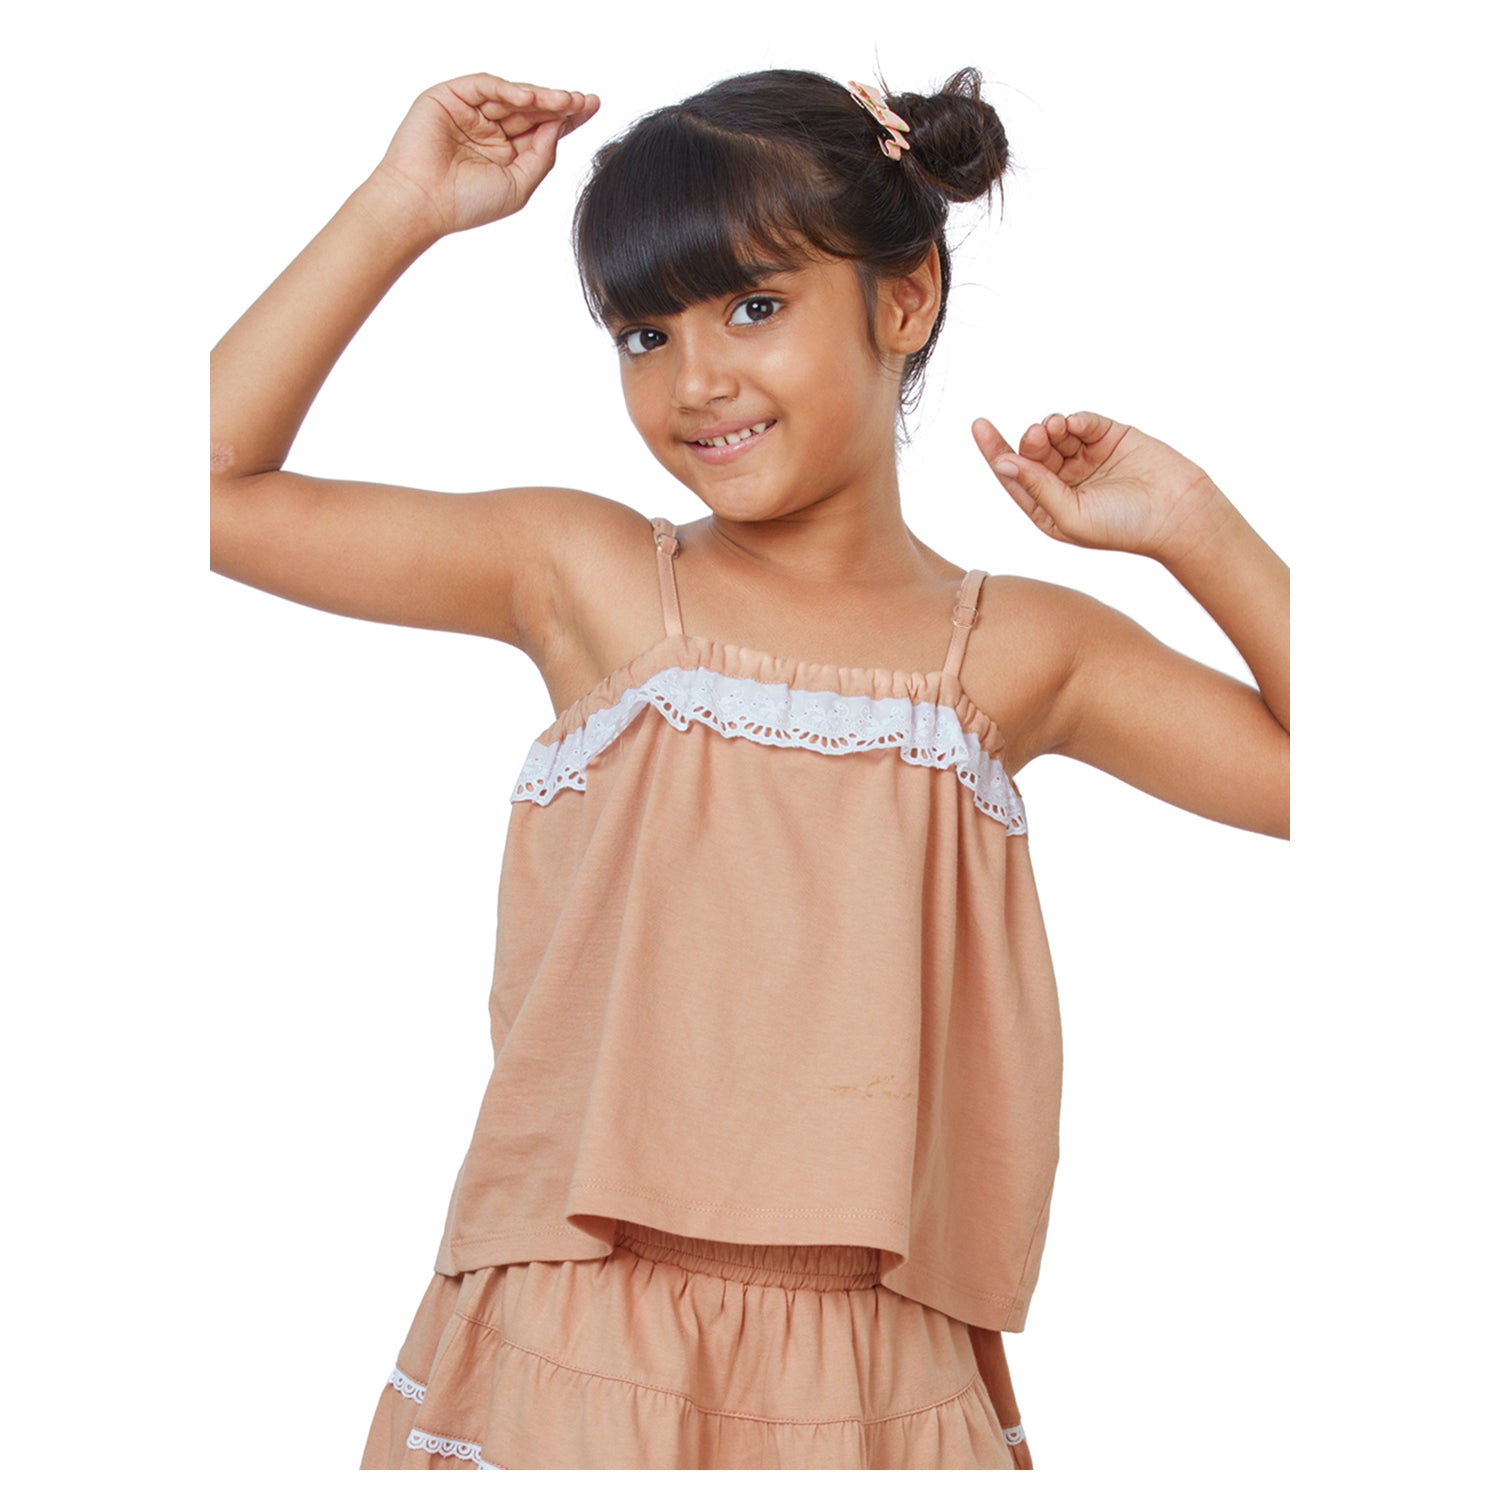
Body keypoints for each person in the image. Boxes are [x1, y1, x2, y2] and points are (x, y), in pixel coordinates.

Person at [209, 66, 1290, 1471]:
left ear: (905, 299)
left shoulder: (1018, 651)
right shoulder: (587, 575)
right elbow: (200, 490)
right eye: (644, 333)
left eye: (755, 307)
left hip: (876, 1373)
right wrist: (400, 205)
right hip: (579, 1334)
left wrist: (1195, 524)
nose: (695, 380)